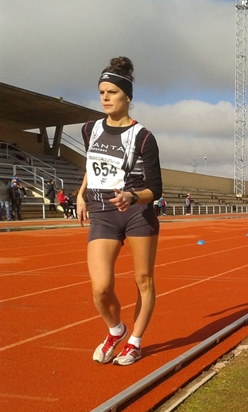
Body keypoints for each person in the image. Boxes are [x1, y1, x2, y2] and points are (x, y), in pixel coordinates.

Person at [76, 56, 162, 366]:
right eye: (101, 92)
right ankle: (116, 330)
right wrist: (81, 194)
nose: (105, 98)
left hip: (137, 212)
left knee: (143, 280)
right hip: (102, 213)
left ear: (127, 96)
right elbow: (92, 164)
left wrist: (132, 196)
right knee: (100, 288)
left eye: (112, 92)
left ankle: (135, 341)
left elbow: (156, 189)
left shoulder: (144, 137)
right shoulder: (89, 129)